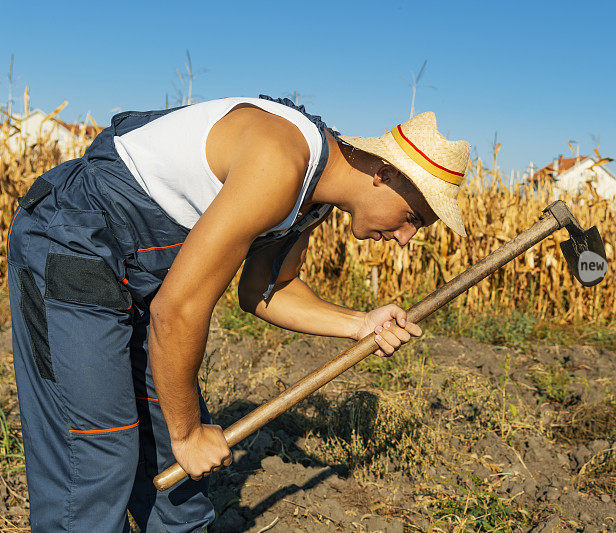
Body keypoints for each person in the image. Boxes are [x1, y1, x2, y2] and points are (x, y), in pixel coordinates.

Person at [6, 94, 470, 531]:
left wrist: (359, 324)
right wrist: (188, 434)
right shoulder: (281, 162)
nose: (407, 237)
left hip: (143, 275)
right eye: (414, 217)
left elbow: (265, 290)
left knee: (176, 470)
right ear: (383, 174)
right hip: (74, 242)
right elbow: (178, 308)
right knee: (96, 453)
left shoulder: (313, 199)